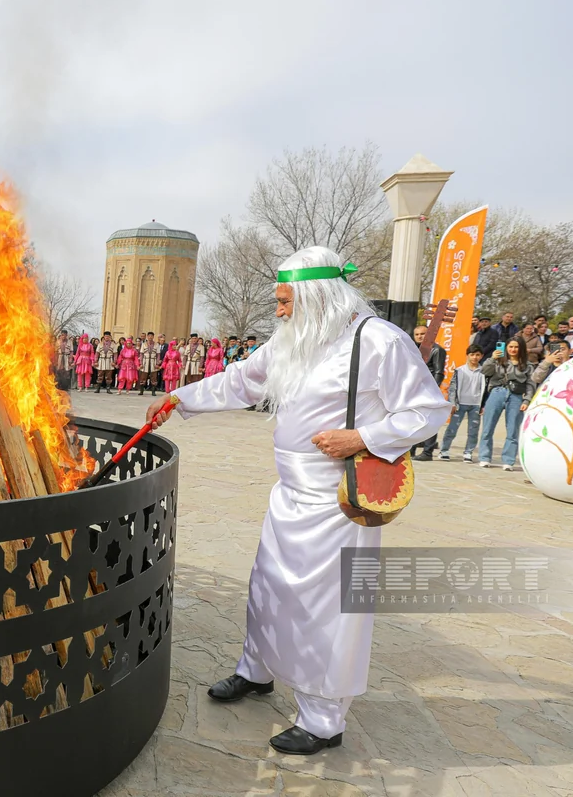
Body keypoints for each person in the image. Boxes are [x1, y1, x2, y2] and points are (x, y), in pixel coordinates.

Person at [147, 246, 448, 755]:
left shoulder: (378, 342)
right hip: (288, 494)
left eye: (287, 301)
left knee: (323, 607)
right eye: (278, 301)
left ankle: (323, 719)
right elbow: (242, 380)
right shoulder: (293, 340)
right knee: (269, 586)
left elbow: (427, 410)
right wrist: (180, 398)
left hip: (337, 502)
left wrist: (364, 438)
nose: (279, 312)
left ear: (319, 297)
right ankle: (256, 671)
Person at [477, 337, 535, 471]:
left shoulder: (528, 365)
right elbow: (484, 371)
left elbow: (531, 384)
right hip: (497, 392)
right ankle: (484, 457)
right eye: (510, 347)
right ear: (506, 348)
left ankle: (508, 460)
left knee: (513, 429)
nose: (513, 350)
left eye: (516, 347)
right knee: (488, 427)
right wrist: (492, 358)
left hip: (516, 395)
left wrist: (527, 400)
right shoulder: (497, 360)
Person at [438, 345, 485, 462]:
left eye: (477, 355)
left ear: (481, 356)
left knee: (473, 430)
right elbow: (452, 388)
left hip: (476, 405)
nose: (475, 357)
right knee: (452, 429)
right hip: (460, 404)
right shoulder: (460, 370)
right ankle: (444, 450)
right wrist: (452, 403)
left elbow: (486, 389)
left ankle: (468, 452)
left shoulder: (483, 371)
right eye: (472, 354)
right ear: (467, 355)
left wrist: (483, 405)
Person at [409, 325, 447, 461]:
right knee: (413, 419)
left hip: (429, 389)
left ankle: (428, 451)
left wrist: (433, 390)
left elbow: (439, 372)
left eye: (423, 334)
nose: (420, 336)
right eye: (417, 334)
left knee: (430, 420)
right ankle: (411, 449)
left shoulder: (437, 350)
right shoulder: (413, 350)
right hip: (415, 388)